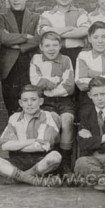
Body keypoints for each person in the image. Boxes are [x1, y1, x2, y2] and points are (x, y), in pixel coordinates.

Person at [30, 31, 75, 173]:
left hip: (65, 100)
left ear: (60, 46)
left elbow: (69, 87)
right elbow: (35, 82)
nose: (51, 49)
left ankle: (65, 161)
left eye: (55, 45)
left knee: (67, 119)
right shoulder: (36, 59)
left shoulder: (66, 60)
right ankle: (53, 159)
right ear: (41, 47)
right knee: (52, 119)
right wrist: (57, 81)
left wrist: (47, 85)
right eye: (47, 45)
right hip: (45, 101)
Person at [0, 85, 62, 187]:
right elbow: (4, 145)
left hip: (39, 160)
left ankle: (20, 178)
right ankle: (34, 181)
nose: (29, 103)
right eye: (25, 100)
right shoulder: (14, 118)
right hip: (18, 160)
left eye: (33, 99)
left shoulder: (46, 116)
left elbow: (42, 146)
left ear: (41, 101)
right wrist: (33, 140)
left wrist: (17, 146)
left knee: (55, 156)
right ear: (20, 103)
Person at [0, 0, 39, 116]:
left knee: (31, 105)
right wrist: (26, 36)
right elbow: (3, 38)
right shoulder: (2, 18)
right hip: (9, 69)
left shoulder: (36, 18)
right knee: (13, 109)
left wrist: (17, 46)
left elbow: (38, 40)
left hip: (30, 66)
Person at [37, 0, 89, 68]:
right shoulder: (46, 15)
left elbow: (84, 31)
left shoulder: (81, 12)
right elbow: (43, 32)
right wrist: (69, 28)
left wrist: (53, 33)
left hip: (77, 54)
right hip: (54, 55)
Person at [75, 21, 105, 111]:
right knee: (90, 117)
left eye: (104, 37)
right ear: (89, 38)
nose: (100, 41)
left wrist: (92, 74)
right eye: (96, 37)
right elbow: (80, 83)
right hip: (89, 97)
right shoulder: (83, 55)